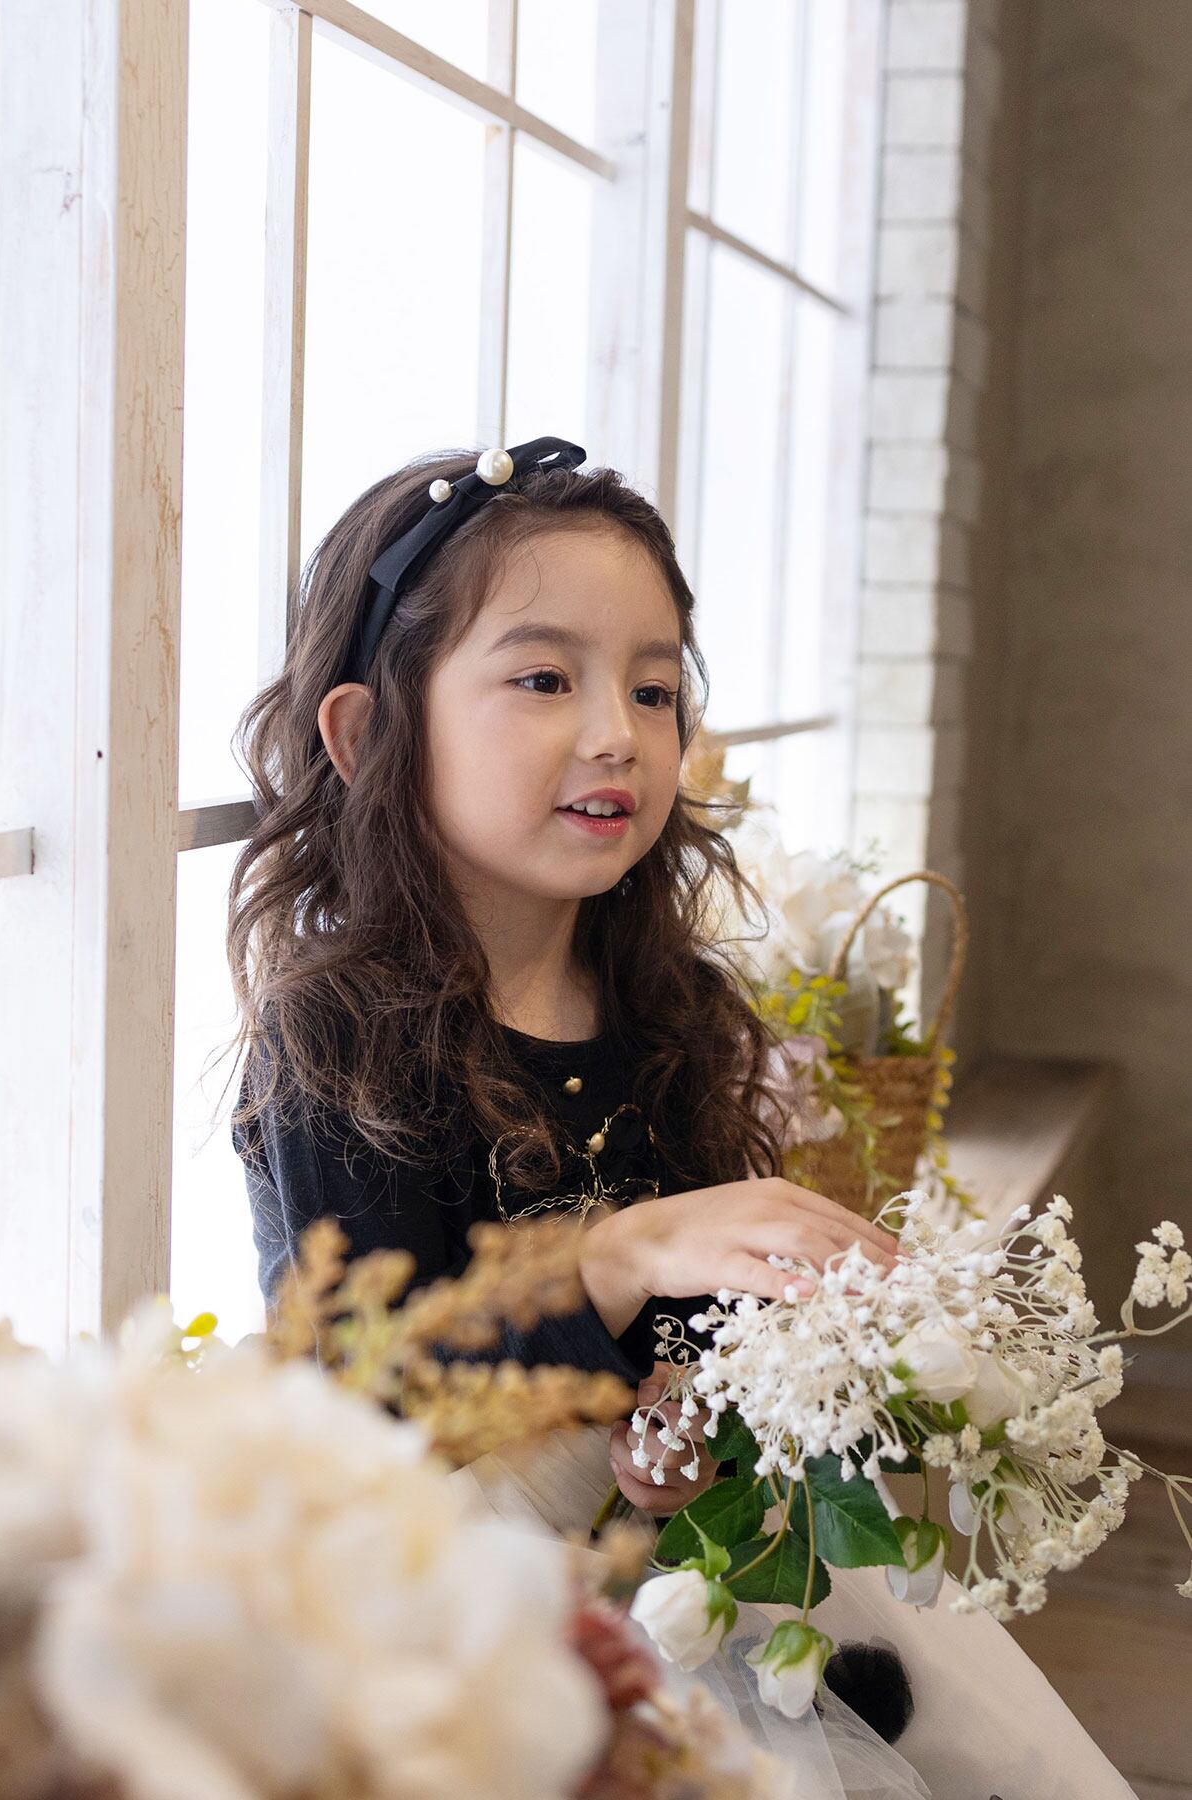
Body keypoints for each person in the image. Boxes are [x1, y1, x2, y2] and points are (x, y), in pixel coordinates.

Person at [224, 436, 1135, 1796]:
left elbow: (697, 1326)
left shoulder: (665, 1003)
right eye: (545, 679)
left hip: (674, 1567)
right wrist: (614, 1256)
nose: (618, 734)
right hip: (460, 1628)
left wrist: (682, 1410)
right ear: (364, 734)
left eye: (654, 691)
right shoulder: (339, 1035)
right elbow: (373, 1393)